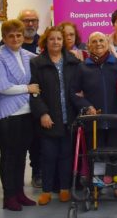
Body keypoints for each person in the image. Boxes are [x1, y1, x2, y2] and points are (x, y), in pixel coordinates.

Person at [0, 19, 40, 211]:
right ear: (4, 38)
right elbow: (1, 86)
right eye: (11, 36)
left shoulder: (27, 55)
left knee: (21, 156)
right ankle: (9, 196)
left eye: (19, 35)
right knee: (9, 156)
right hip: (7, 115)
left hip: (26, 113)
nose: (16, 38)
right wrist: (27, 88)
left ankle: (20, 192)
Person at [29, 27, 81, 205]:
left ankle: (65, 189)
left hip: (69, 117)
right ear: (46, 41)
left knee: (66, 156)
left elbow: (79, 88)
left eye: (59, 39)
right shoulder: (37, 63)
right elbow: (34, 92)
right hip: (48, 118)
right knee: (48, 156)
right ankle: (47, 190)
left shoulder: (73, 61)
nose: (56, 42)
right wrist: (42, 113)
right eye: (52, 39)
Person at [0, 8, 42, 186]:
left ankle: (34, 176)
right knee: (12, 153)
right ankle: (11, 190)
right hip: (11, 110)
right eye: (26, 20)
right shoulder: (2, 50)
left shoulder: (42, 43)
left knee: (34, 144)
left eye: (33, 20)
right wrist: (28, 88)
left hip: (32, 106)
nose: (30, 24)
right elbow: (1, 84)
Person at [71, 32, 117, 147]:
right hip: (93, 122)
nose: (98, 44)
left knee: (115, 159)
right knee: (95, 159)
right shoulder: (82, 67)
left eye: (101, 40)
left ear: (107, 43)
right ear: (88, 46)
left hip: (116, 121)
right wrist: (86, 106)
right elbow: (74, 92)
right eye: (94, 41)